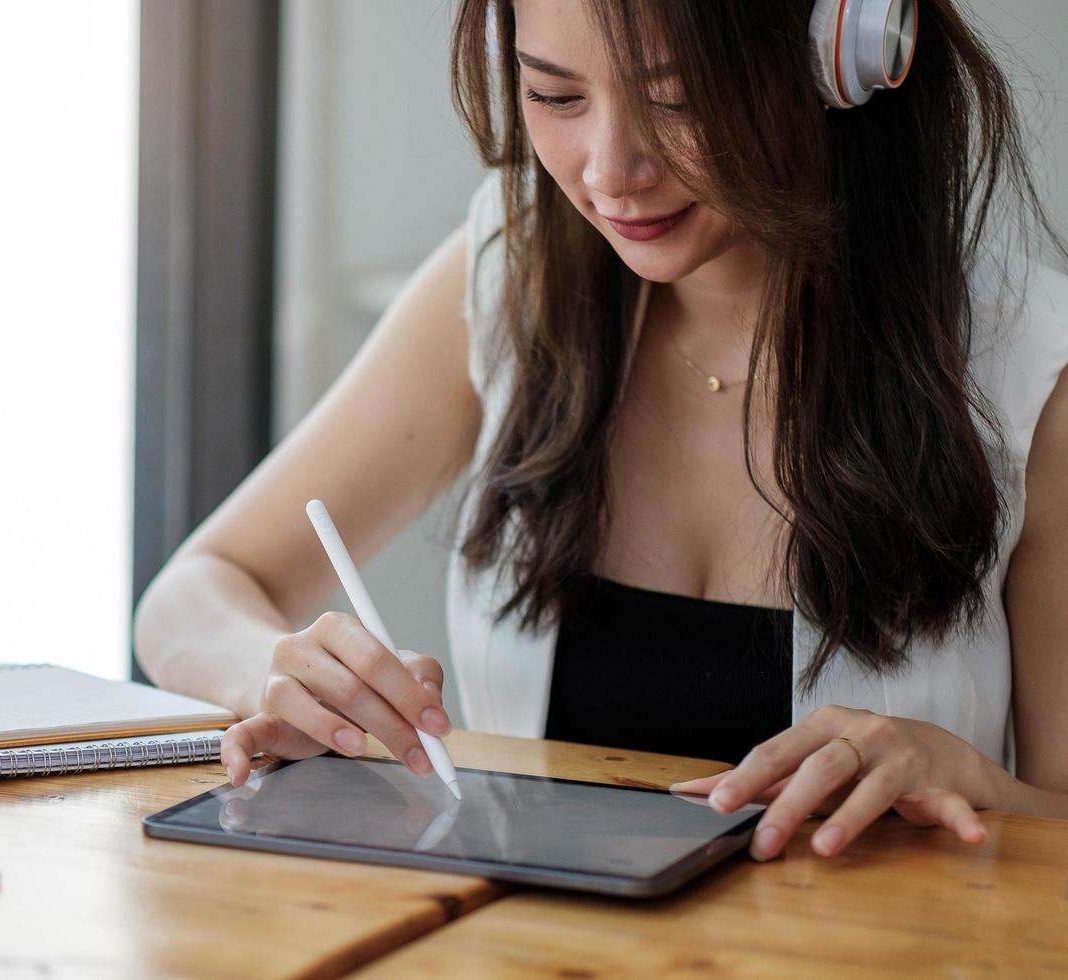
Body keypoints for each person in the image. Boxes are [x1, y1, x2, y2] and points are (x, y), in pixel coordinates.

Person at [133, 0, 1068, 862]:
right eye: (554, 93)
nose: (609, 170)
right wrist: (278, 672)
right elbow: (192, 595)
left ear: (843, 52)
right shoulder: (509, 279)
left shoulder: (1030, 370)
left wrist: (976, 783)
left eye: (681, 101)